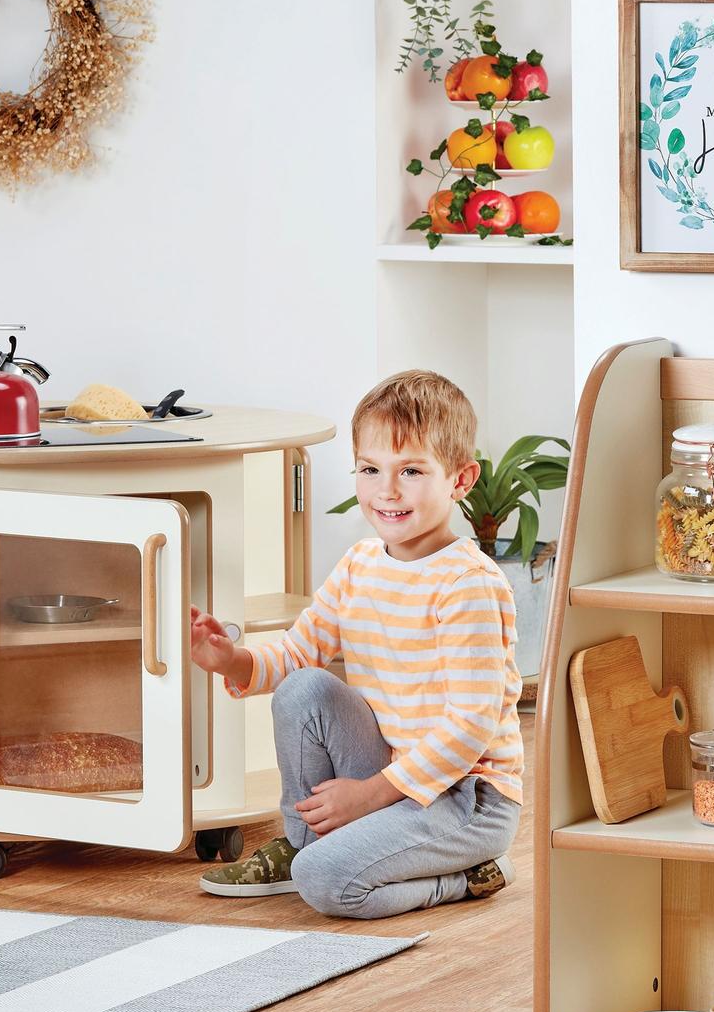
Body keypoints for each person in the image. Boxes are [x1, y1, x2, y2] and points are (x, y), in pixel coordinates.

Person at [189, 370, 521, 918]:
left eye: (411, 471)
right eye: (370, 470)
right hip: (394, 771)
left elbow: (468, 728)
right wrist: (232, 658)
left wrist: (367, 797)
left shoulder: (469, 584)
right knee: (304, 689)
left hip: (470, 799)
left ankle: (466, 876)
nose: (386, 491)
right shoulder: (360, 565)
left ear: (461, 480)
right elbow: (297, 655)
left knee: (323, 881)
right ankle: (302, 841)